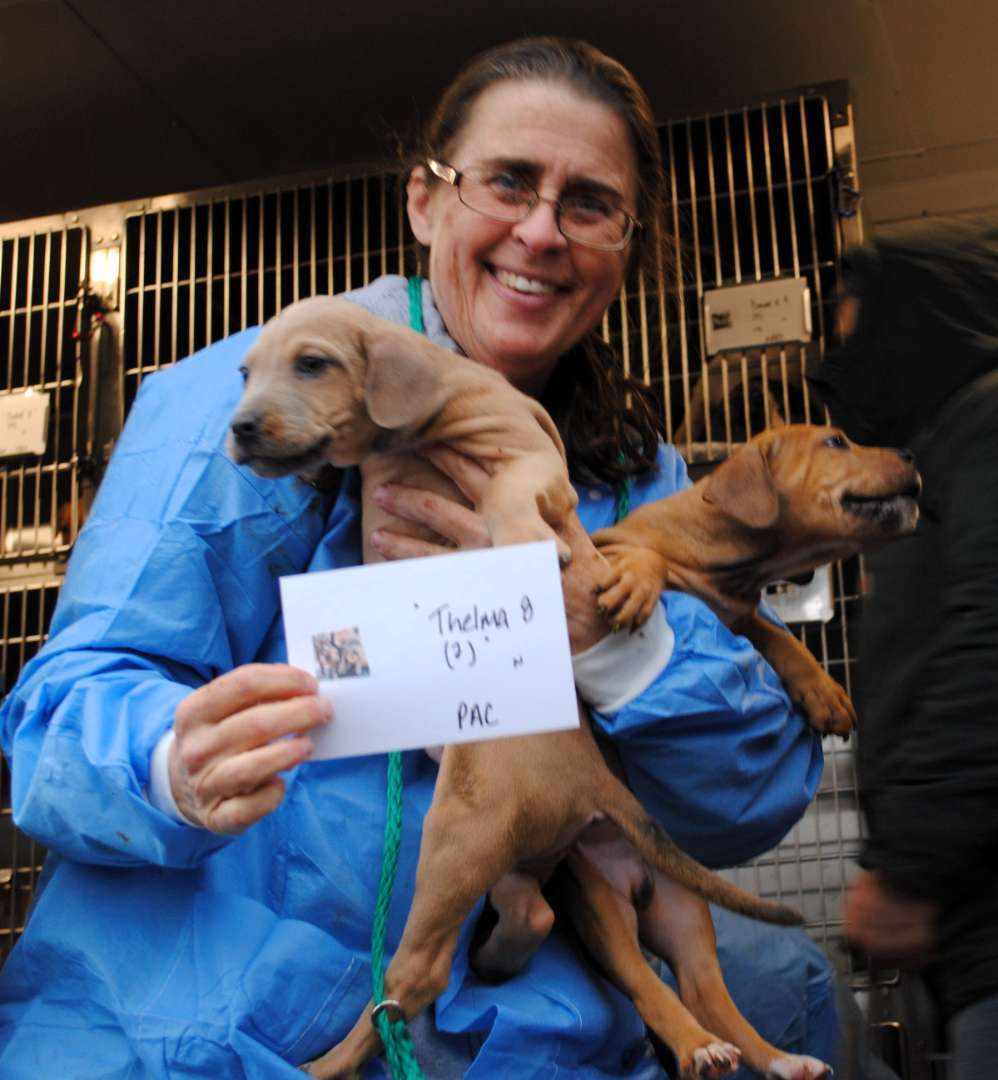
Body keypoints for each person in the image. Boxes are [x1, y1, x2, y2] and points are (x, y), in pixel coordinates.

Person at [0, 37, 837, 1077]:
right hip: (198, 1029)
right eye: (507, 182)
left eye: (589, 205)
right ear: (425, 202)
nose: (541, 231)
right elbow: (68, 712)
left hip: (523, 1042)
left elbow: (750, 797)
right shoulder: (264, 392)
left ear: (625, 247)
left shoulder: (631, 476)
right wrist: (170, 762)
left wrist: (604, 636)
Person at [811, 216, 998, 1080]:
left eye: (864, 333)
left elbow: (990, 647)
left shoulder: (987, 421)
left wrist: (906, 866)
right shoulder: (943, 454)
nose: (841, 364)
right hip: (965, 937)